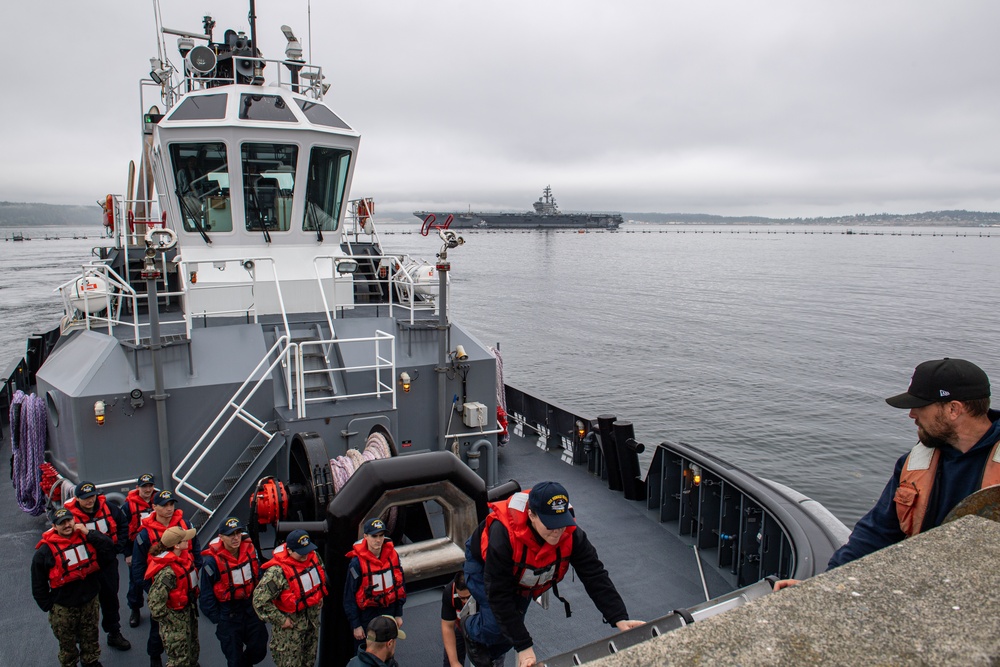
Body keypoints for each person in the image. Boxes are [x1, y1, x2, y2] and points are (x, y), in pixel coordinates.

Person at [776, 358, 999, 590]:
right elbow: (876, 533)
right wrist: (821, 585)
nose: (912, 414)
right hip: (926, 586)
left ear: (953, 409)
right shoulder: (914, 464)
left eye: (920, 406)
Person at [462, 481, 644, 667]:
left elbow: (595, 575)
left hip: (524, 574)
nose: (557, 531)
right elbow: (498, 594)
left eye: (561, 523)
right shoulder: (503, 536)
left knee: (510, 629)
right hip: (483, 566)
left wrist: (619, 618)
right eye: (550, 525)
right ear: (532, 515)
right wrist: (524, 646)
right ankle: (468, 629)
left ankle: (492, 653)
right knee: (496, 626)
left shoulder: (572, 535)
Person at [32, 507, 116, 667]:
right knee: (67, 645)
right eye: (61, 523)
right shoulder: (44, 552)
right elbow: (38, 583)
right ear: (54, 526)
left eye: (68, 521)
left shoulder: (86, 538)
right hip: (63, 607)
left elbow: (108, 546)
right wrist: (49, 606)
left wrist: (88, 533)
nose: (66, 525)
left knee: (91, 636)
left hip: (89, 601)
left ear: (74, 521)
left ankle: (91, 661)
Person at [132, 489, 202, 667]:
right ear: (154, 507)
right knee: (159, 629)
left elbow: (196, 552)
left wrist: (191, 576)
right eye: (164, 506)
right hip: (163, 588)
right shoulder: (144, 535)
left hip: (185, 588)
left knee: (190, 633)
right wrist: (153, 589)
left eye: (171, 504)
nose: (169, 509)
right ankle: (154, 655)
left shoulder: (185, 525)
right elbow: (139, 567)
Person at [63, 480, 132, 651]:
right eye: (85, 498)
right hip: (85, 568)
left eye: (92, 496)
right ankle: (83, 639)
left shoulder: (109, 509)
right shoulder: (68, 517)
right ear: (77, 498)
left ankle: (114, 632)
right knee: (84, 602)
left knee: (110, 598)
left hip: (107, 563)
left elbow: (123, 525)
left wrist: (119, 547)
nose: (90, 501)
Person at [253, 529, 328, 667]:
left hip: (310, 624)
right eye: (301, 553)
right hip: (290, 632)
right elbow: (260, 601)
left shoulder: (313, 556)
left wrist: (319, 597)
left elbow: (319, 574)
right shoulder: (277, 572)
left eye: (307, 550)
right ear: (289, 550)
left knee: (309, 661)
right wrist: (281, 620)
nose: (305, 556)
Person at [199, 516, 269, 667]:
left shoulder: (250, 551)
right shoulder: (212, 562)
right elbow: (206, 594)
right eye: (231, 535)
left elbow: (259, 575)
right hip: (229, 614)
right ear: (221, 537)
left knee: (259, 648)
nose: (235, 538)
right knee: (234, 659)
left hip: (250, 609)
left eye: (238, 533)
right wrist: (218, 618)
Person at [344, 517, 406, 651]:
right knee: (367, 654)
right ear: (366, 536)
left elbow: (400, 585)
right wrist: (356, 625)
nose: (378, 540)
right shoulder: (357, 564)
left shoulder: (392, 556)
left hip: (388, 612)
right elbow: (349, 596)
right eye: (374, 536)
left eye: (381, 535)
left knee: (388, 650)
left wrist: (398, 614)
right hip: (367, 616)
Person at [146, 526, 200, 667]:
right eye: (184, 539)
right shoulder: (168, 572)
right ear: (176, 545)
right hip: (175, 619)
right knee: (179, 660)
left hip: (188, 612)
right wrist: (171, 622)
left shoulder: (183, 560)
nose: (188, 540)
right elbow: (155, 604)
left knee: (192, 651)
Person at [123, 473, 158, 628]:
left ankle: (158, 607)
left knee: (158, 578)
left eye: (150, 486)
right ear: (137, 488)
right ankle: (135, 609)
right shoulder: (128, 506)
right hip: (136, 548)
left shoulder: (160, 501)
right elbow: (122, 529)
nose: (148, 489)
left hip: (156, 548)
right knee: (136, 580)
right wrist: (127, 553)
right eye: (144, 486)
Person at [441, 571, 471, 667]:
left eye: (469, 597)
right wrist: (454, 662)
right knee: (450, 663)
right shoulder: (449, 592)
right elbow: (447, 627)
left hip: (483, 629)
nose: (466, 602)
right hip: (461, 628)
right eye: (462, 598)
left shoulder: (484, 590)